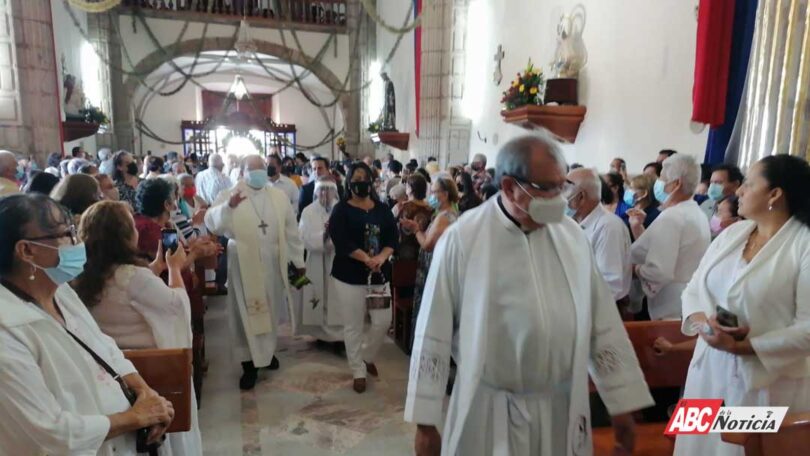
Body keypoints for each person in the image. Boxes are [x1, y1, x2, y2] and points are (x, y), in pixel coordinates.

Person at [405, 134, 653, 456]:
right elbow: (432, 333)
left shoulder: (572, 238)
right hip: (489, 412)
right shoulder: (463, 239)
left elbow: (602, 324)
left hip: (561, 409)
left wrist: (622, 404)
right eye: (545, 188)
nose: (558, 198)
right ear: (509, 187)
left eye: (560, 186)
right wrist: (426, 424)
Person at [0, 194, 174, 455]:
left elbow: (104, 346)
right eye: (65, 234)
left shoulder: (61, 293)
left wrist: (143, 391)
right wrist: (136, 418)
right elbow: (46, 433)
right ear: (26, 250)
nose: (77, 242)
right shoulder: (7, 329)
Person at [674, 155, 810, 456]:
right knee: (695, 448)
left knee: (738, 450)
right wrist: (704, 325)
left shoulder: (804, 244)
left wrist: (743, 346)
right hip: (706, 370)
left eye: (748, 183)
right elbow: (694, 288)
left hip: (767, 381)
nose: (739, 191)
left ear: (775, 194)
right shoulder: (734, 233)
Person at [74, 201, 203, 456]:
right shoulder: (133, 276)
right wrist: (175, 268)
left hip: (111, 375)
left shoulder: (82, 275)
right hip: (152, 374)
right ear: (124, 235)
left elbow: (127, 290)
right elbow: (176, 307)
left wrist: (157, 266)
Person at [205, 154, 305, 390]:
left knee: (269, 310)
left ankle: (266, 353)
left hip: (272, 263)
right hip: (243, 262)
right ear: (242, 171)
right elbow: (212, 222)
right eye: (253, 169)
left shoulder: (278, 197)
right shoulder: (231, 194)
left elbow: (291, 230)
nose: (259, 173)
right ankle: (249, 364)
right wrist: (228, 208)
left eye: (263, 168)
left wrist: (298, 260)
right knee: (245, 313)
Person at [328, 162, 397, 393]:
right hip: (349, 276)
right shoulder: (341, 209)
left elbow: (391, 239)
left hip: (378, 276)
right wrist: (365, 258)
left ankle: (366, 355)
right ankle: (358, 370)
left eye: (364, 178)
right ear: (349, 182)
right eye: (355, 178)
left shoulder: (382, 209)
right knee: (354, 325)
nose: (360, 182)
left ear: (371, 181)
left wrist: (381, 257)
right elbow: (341, 240)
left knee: (382, 321)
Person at [629, 154, 711, 320]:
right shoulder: (695, 213)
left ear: (676, 184)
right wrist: (638, 228)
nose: (658, 184)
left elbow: (659, 271)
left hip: (670, 305)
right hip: (685, 300)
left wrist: (634, 269)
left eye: (662, 178)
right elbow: (666, 249)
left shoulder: (673, 217)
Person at [400, 175, 459, 351]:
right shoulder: (439, 214)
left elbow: (427, 245)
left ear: (445, 194)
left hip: (433, 267)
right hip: (430, 266)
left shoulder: (445, 217)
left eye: (434, 192)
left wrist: (415, 229)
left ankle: (426, 349)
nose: (430, 196)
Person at [566, 168, 632, 306]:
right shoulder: (575, 224)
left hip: (602, 309)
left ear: (581, 196)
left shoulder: (608, 227)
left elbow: (610, 285)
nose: (559, 197)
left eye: (564, 190)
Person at [296, 177, 343, 342]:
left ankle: (339, 338)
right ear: (316, 191)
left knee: (336, 297)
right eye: (321, 189)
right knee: (318, 295)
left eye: (328, 189)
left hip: (337, 259)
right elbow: (302, 237)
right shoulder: (308, 211)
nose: (325, 193)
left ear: (334, 191)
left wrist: (333, 240)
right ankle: (321, 336)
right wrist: (323, 237)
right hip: (316, 259)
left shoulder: (341, 209)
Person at [395, 174, 433, 261]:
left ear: (411, 189)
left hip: (405, 249)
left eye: (407, 186)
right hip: (424, 250)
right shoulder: (430, 208)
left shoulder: (402, 206)